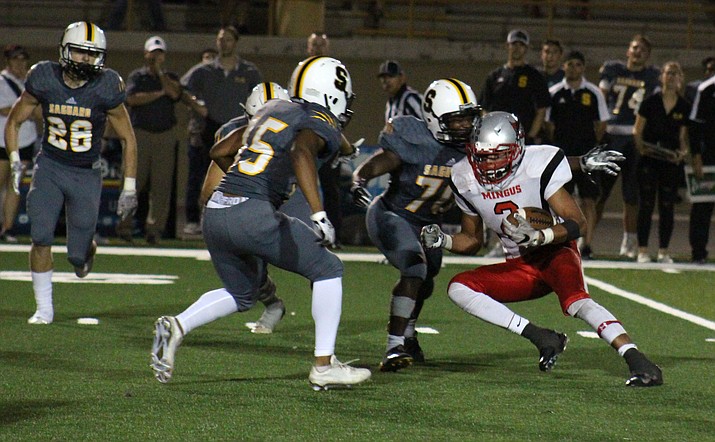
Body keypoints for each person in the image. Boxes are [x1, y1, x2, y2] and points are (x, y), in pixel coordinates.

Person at [150, 56, 371, 390]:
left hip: (218, 211)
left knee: (242, 293)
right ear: (332, 93)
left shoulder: (272, 110)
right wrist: (318, 213)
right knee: (328, 269)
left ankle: (178, 325)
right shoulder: (318, 119)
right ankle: (324, 367)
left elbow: (220, 151)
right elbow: (301, 151)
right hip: (251, 213)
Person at [420, 111, 663, 387]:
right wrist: (444, 240)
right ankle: (542, 337)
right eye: (481, 155)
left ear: (516, 150)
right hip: (520, 266)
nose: (487, 163)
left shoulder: (537, 164)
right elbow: (472, 239)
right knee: (458, 287)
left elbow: (577, 223)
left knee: (576, 301)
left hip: (556, 252)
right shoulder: (464, 177)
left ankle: (638, 361)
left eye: (496, 155)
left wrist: (540, 236)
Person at [4, 21, 138, 325]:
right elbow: (14, 121)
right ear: (64, 50)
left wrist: (129, 187)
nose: (86, 60)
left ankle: (85, 253)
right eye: (79, 52)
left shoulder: (107, 85)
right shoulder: (44, 77)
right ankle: (44, 308)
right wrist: (14, 159)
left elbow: (129, 138)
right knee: (40, 237)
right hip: (50, 166)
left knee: (77, 255)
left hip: (86, 173)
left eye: (92, 54)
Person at [351, 78, 480, 371]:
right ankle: (394, 347)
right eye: (457, 120)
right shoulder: (414, 137)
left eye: (468, 118)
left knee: (426, 280)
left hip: (427, 225)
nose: (465, 126)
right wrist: (360, 177)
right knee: (415, 269)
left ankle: (407, 334)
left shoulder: (471, 149)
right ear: (434, 119)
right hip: (392, 214)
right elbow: (382, 161)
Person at [199, 81, 291, 334]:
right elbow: (208, 190)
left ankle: (275, 303)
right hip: (242, 193)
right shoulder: (232, 132)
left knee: (257, 260)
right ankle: (273, 303)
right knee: (245, 263)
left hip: (271, 196)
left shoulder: (296, 135)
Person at [116, 36, 207, 244]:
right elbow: (131, 99)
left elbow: (174, 93)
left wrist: (160, 75)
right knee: (132, 183)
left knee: (161, 186)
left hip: (165, 136)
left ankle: (154, 230)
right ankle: (124, 227)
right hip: (140, 135)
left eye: (159, 53)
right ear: (146, 54)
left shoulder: (170, 76)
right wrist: (158, 93)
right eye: (152, 52)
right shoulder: (136, 77)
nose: (156, 56)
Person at [183, 26, 262, 236]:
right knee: (202, 174)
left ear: (235, 42)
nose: (223, 43)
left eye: (227, 39)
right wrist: (199, 107)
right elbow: (183, 88)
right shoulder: (204, 69)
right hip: (210, 128)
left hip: (238, 131)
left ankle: (233, 218)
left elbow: (261, 98)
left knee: (236, 174)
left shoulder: (249, 71)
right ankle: (197, 219)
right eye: (220, 39)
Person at [478, 28, 550, 257]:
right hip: (496, 146)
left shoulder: (534, 76)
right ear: (508, 46)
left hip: (520, 146)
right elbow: (483, 109)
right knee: (493, 192)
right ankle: (498, 241)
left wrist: (530, 136)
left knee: (521, 192)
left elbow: (541, 108)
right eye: (513, 44)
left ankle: (520, 240)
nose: (517, 48)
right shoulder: (495, 76)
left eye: (521, 44)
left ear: (526, 49)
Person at [598, 34, 660, 259]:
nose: (638, 52)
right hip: (611, 137)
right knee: (598, 193)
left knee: (631, 195)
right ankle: (586, 241)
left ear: (648, 55)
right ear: (628, 50)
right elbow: (601, 97)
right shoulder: (614, 70)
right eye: (635, 48)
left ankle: (629, 241)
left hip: (634, 139)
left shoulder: (653, 77)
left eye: (643, 49)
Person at [545, 50, 609, 259]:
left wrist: (589, 146)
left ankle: (587, 245)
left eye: (578, 65)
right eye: (570, 64)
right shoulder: (554, 92)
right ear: (564, 66)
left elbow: (601, 125)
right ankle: (566, 242)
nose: (574, 68)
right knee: (562, 199)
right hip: (562, 157)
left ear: (583, 68)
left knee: (589, 200)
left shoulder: (593, 93)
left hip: (587, 157)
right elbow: (549, 125)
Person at [633, 61, 690, 264]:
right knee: (646, 204)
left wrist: (681, 153)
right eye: (669, 73)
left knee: (667, 206)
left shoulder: (683, 106)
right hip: (649, 160)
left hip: (670, 163)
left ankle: (664, 251)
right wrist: (644, 148)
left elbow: (683, 137)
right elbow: (637, 131)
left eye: (676, 73)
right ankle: (642, 250)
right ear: (662, 76)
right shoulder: (650, 102)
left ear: (681, 78)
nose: (672, 77)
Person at [305, 32, 343, 248]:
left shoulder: (334, 72)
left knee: (331, 187)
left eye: (321, 45)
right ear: (308, 48)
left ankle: (334, 235)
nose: (317, 48)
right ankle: (301, 233)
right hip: (304, 135)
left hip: (327, 135)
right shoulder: (302, 71)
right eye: (314, 45)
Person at [0, 44, 37, 243]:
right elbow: (5, 109)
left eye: (23, 60)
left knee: (14, 186)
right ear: (8, 61)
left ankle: (7, 227)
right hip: (2, 139)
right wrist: (29, 113)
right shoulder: (2, 81)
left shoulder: (30, 83)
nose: (20, 63)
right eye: (16, 59)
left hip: (25, 140)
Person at [688, 60, 715, 264]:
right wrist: (696, 156)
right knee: (703, 207)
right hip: (710, 156)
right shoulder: (706, 89)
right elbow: (695, 125)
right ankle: (698, 252)